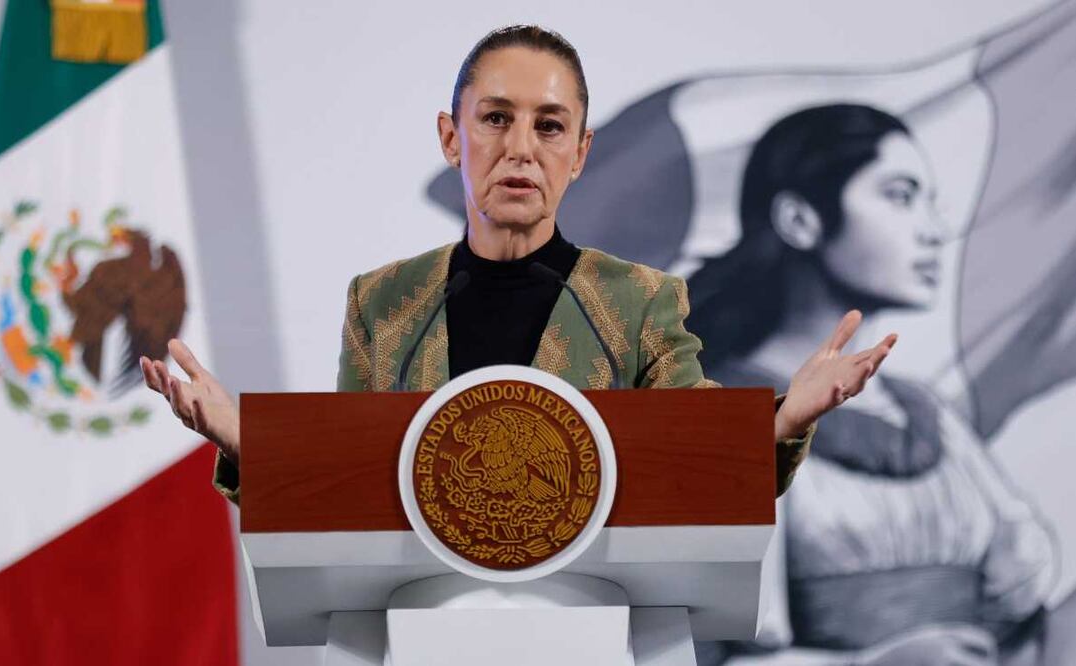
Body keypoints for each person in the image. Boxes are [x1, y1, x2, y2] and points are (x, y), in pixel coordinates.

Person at [137, 26, 896, 507]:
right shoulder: (383, 302)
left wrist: (786, 419)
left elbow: (698, 466)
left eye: (549, 125)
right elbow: (349, 487)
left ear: (580, 154)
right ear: (450, 136)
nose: (521, 147)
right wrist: (244, 439)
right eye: (495, 119)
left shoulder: (639, 303)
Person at [687, 104, 1056, 666]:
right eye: (901, 195)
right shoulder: (714, 410)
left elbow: (1021, 598)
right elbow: (694, 649)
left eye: (931, 202)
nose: (934, 230)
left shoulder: (924, 413)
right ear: (800, 219)